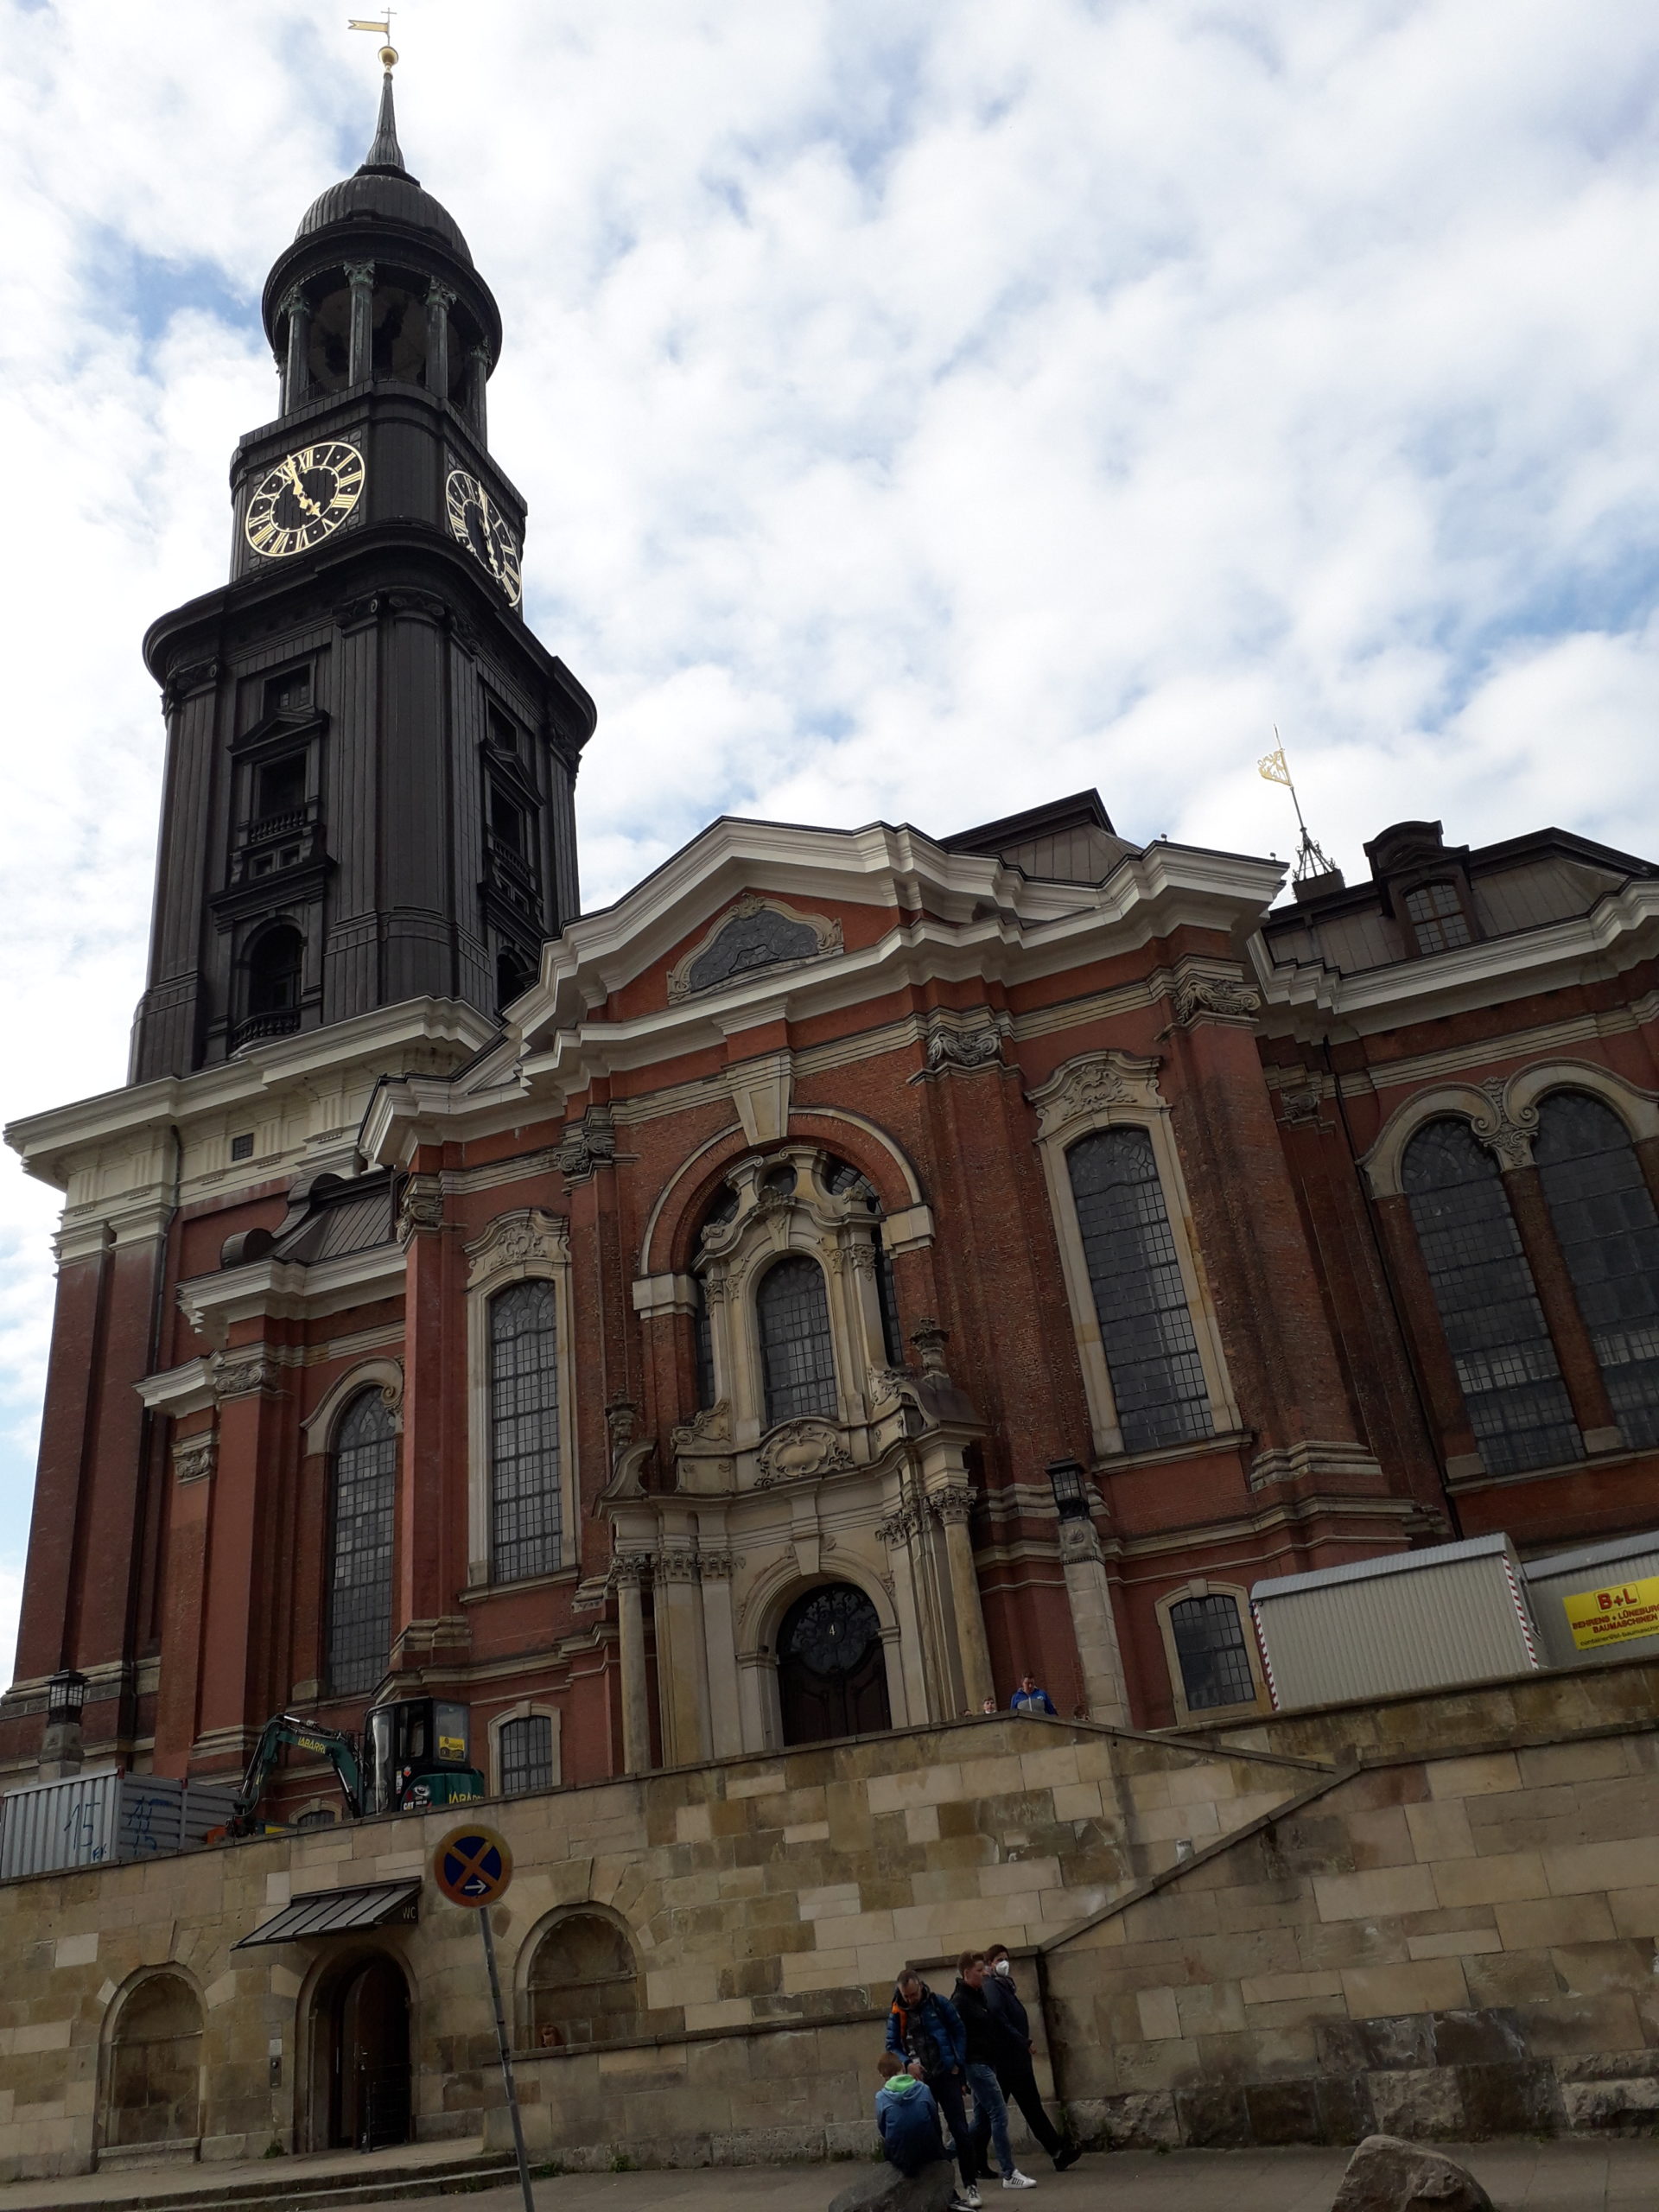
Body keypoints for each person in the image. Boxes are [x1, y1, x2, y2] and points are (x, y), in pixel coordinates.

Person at [982, 1944, 1080, 2173]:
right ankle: (974, 2157)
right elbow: (998, 2015)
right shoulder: (992, 1987)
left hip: (1017, 2060)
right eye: (998, 1959)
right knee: (993, 2113)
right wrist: (1020, 2040)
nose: (1004, 1963)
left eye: (1006, 1958)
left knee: (1032, 2107)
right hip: (1007, 2061)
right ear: (989, 1964)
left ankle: (1058, 2152)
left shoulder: (1004, 1986)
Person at [887, 1967, 980, 2205]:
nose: (910, 2000)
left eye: (913, 1994)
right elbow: (893, 2044)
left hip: (946, 2073)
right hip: (921, 2081)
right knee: (933, 2136)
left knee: (960, 2130)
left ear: (919, 1986)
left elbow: (959, 2031)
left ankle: (971, 2184)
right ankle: (947, 2192)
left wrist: (957, 2062)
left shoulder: (938, 2003)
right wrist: (908, 2064)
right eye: (906, 1996)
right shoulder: (897, 2013)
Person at [950, 1951, 1037, 2190]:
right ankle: (1009, 2173)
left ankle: (943, 2153)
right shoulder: (960, 2002)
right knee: (999, 2114)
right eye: (979, 1970)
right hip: (976, 2064)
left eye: (984, 1969)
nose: (985, 1973)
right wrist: (961, 2075)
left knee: (982, 2119)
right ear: (967, 1973)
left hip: (986, 2062)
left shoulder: (978, 1995)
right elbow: (956, 2038)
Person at [876, 2050, 971, 2206]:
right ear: (903, 2067)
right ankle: (952, 2197)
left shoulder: (881, 2096)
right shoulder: (923, 2089)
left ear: (882, 2076)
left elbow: (882, 2126)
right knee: (937, 2152)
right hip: (928, 2147)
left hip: (900, 2152)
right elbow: (933, 2118)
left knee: (889, 2149)